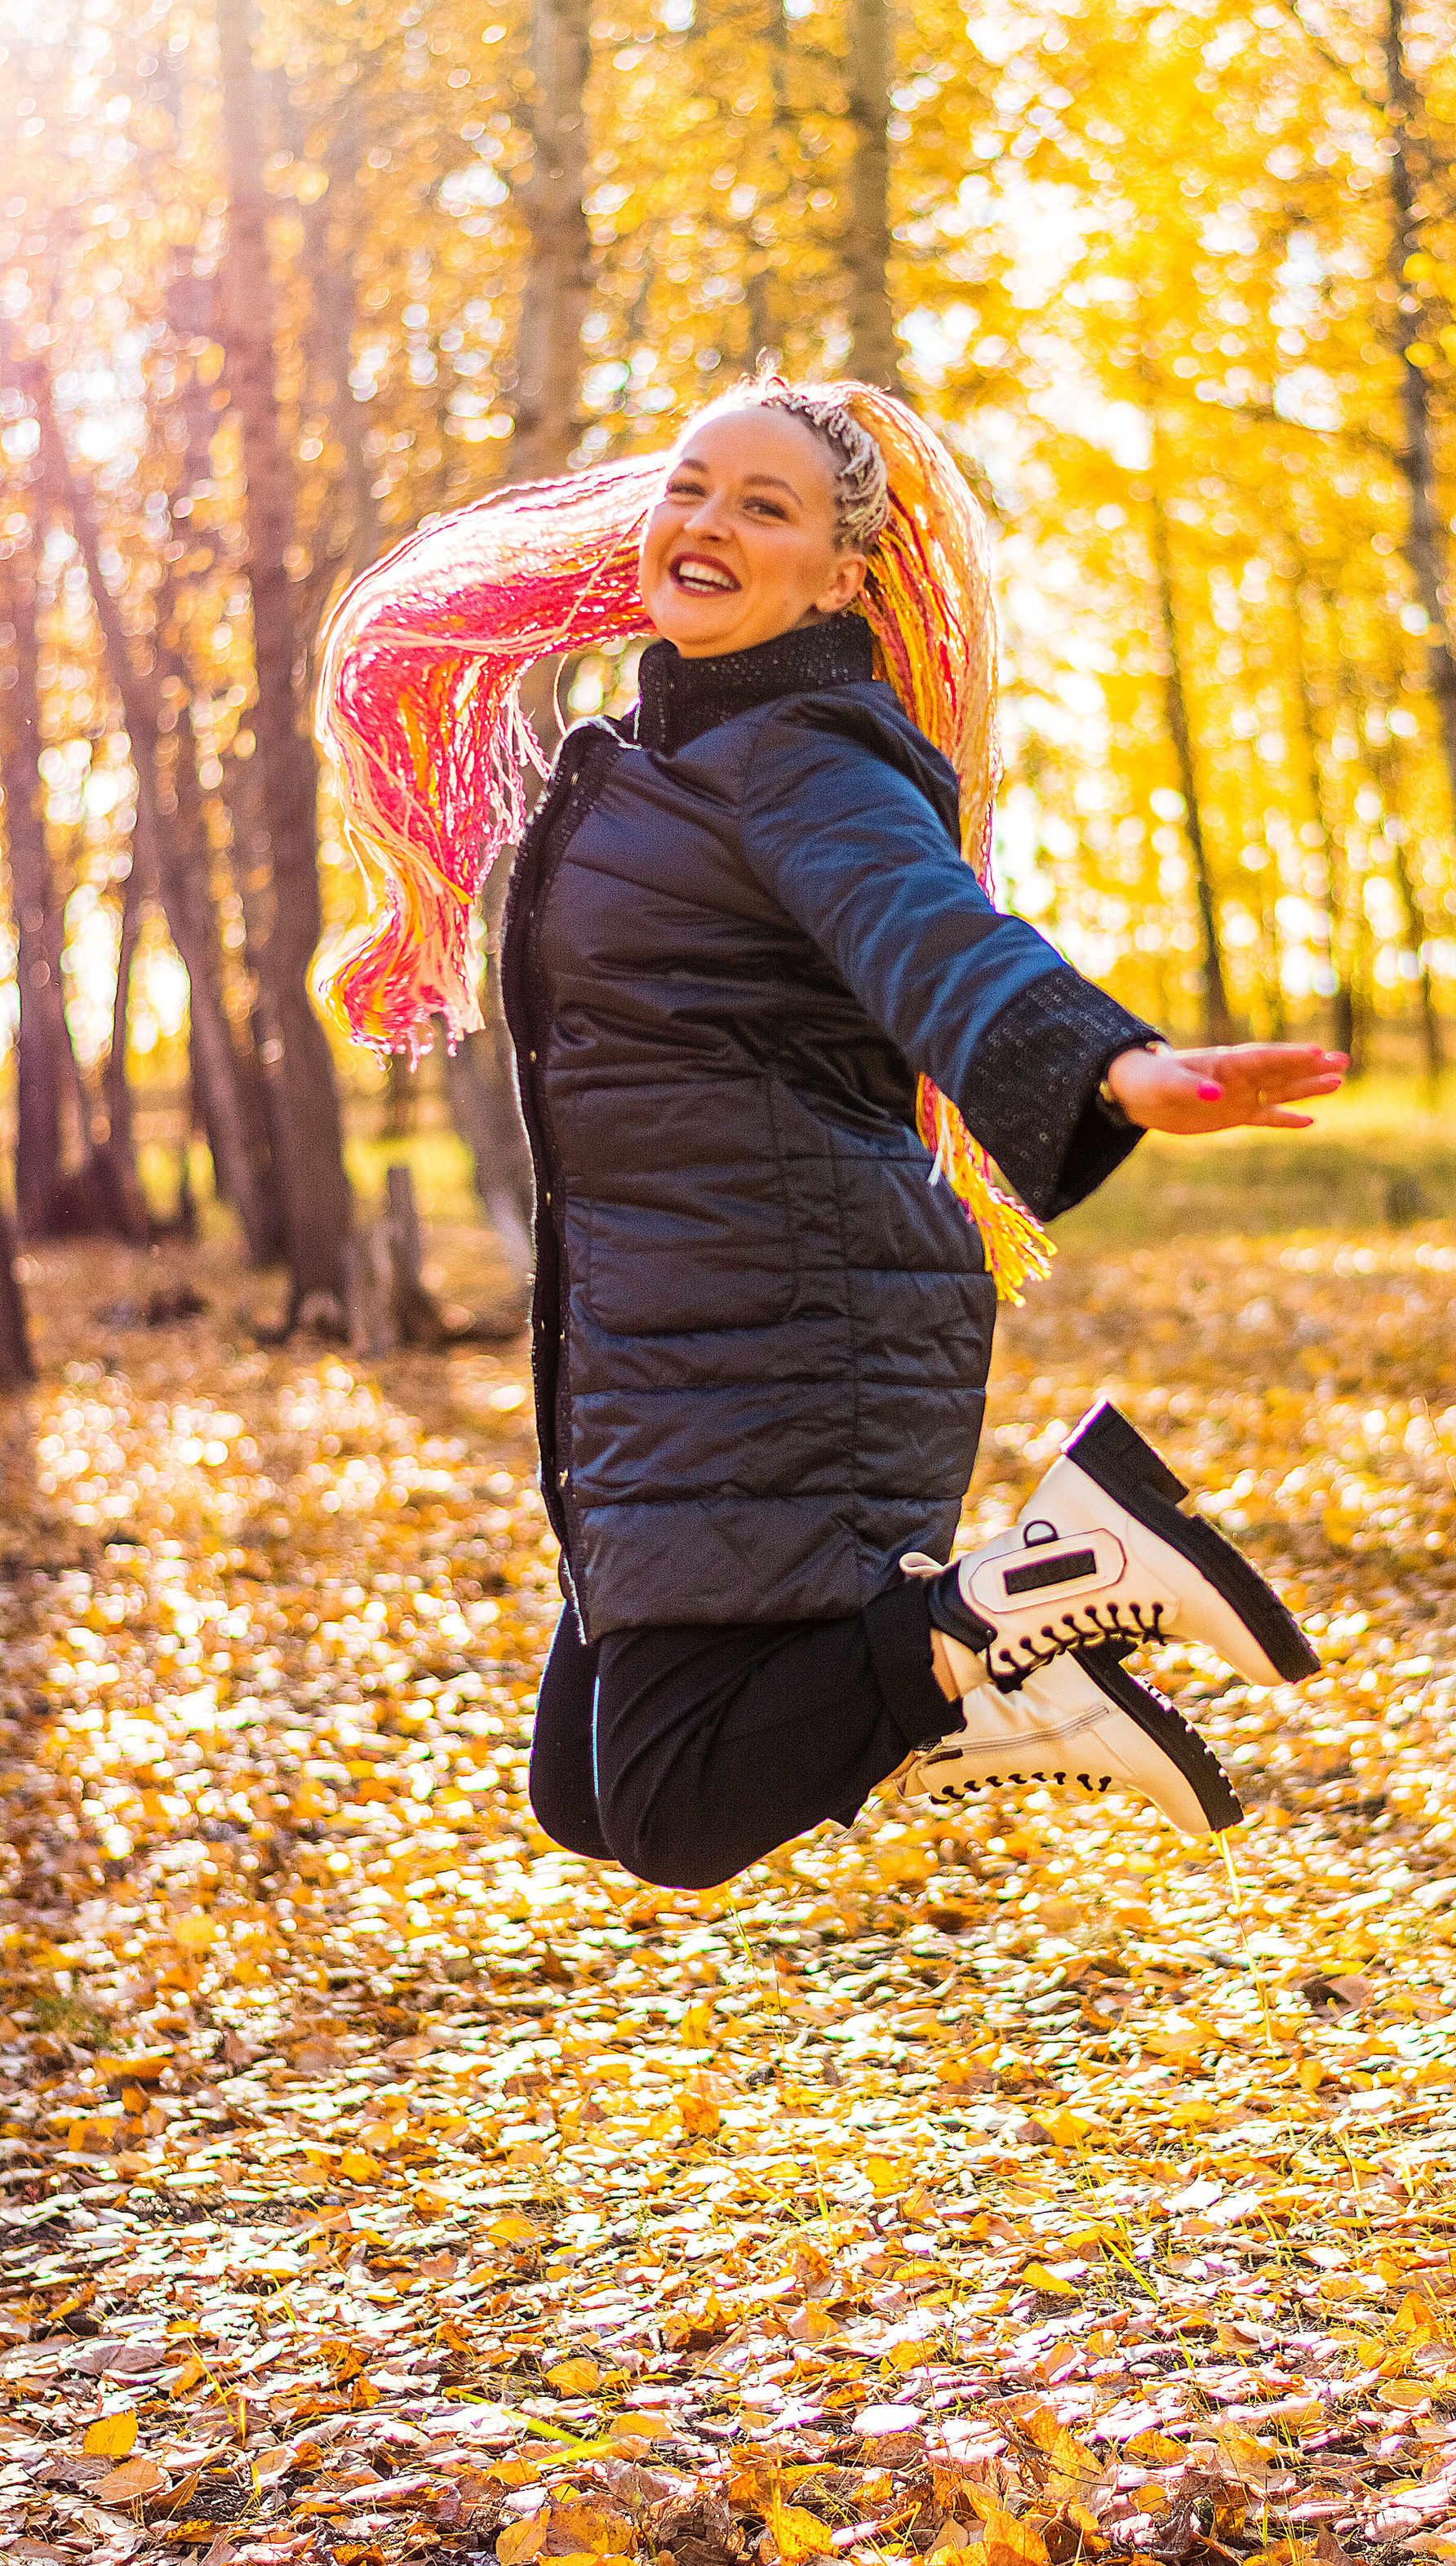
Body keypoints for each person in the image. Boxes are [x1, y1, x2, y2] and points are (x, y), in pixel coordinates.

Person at [317, 376, 1347, 1893]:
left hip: (788, 1322)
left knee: (672, 1809)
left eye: (764, 504)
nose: (707, 521)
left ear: (841, 577)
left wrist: (1110, 1070)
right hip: (679, 1325)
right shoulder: (664, 749)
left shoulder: (803, 753)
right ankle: (992, 1682)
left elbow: (932, 932)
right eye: (689, 486)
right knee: (581, 1790)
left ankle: (1036, 1592)